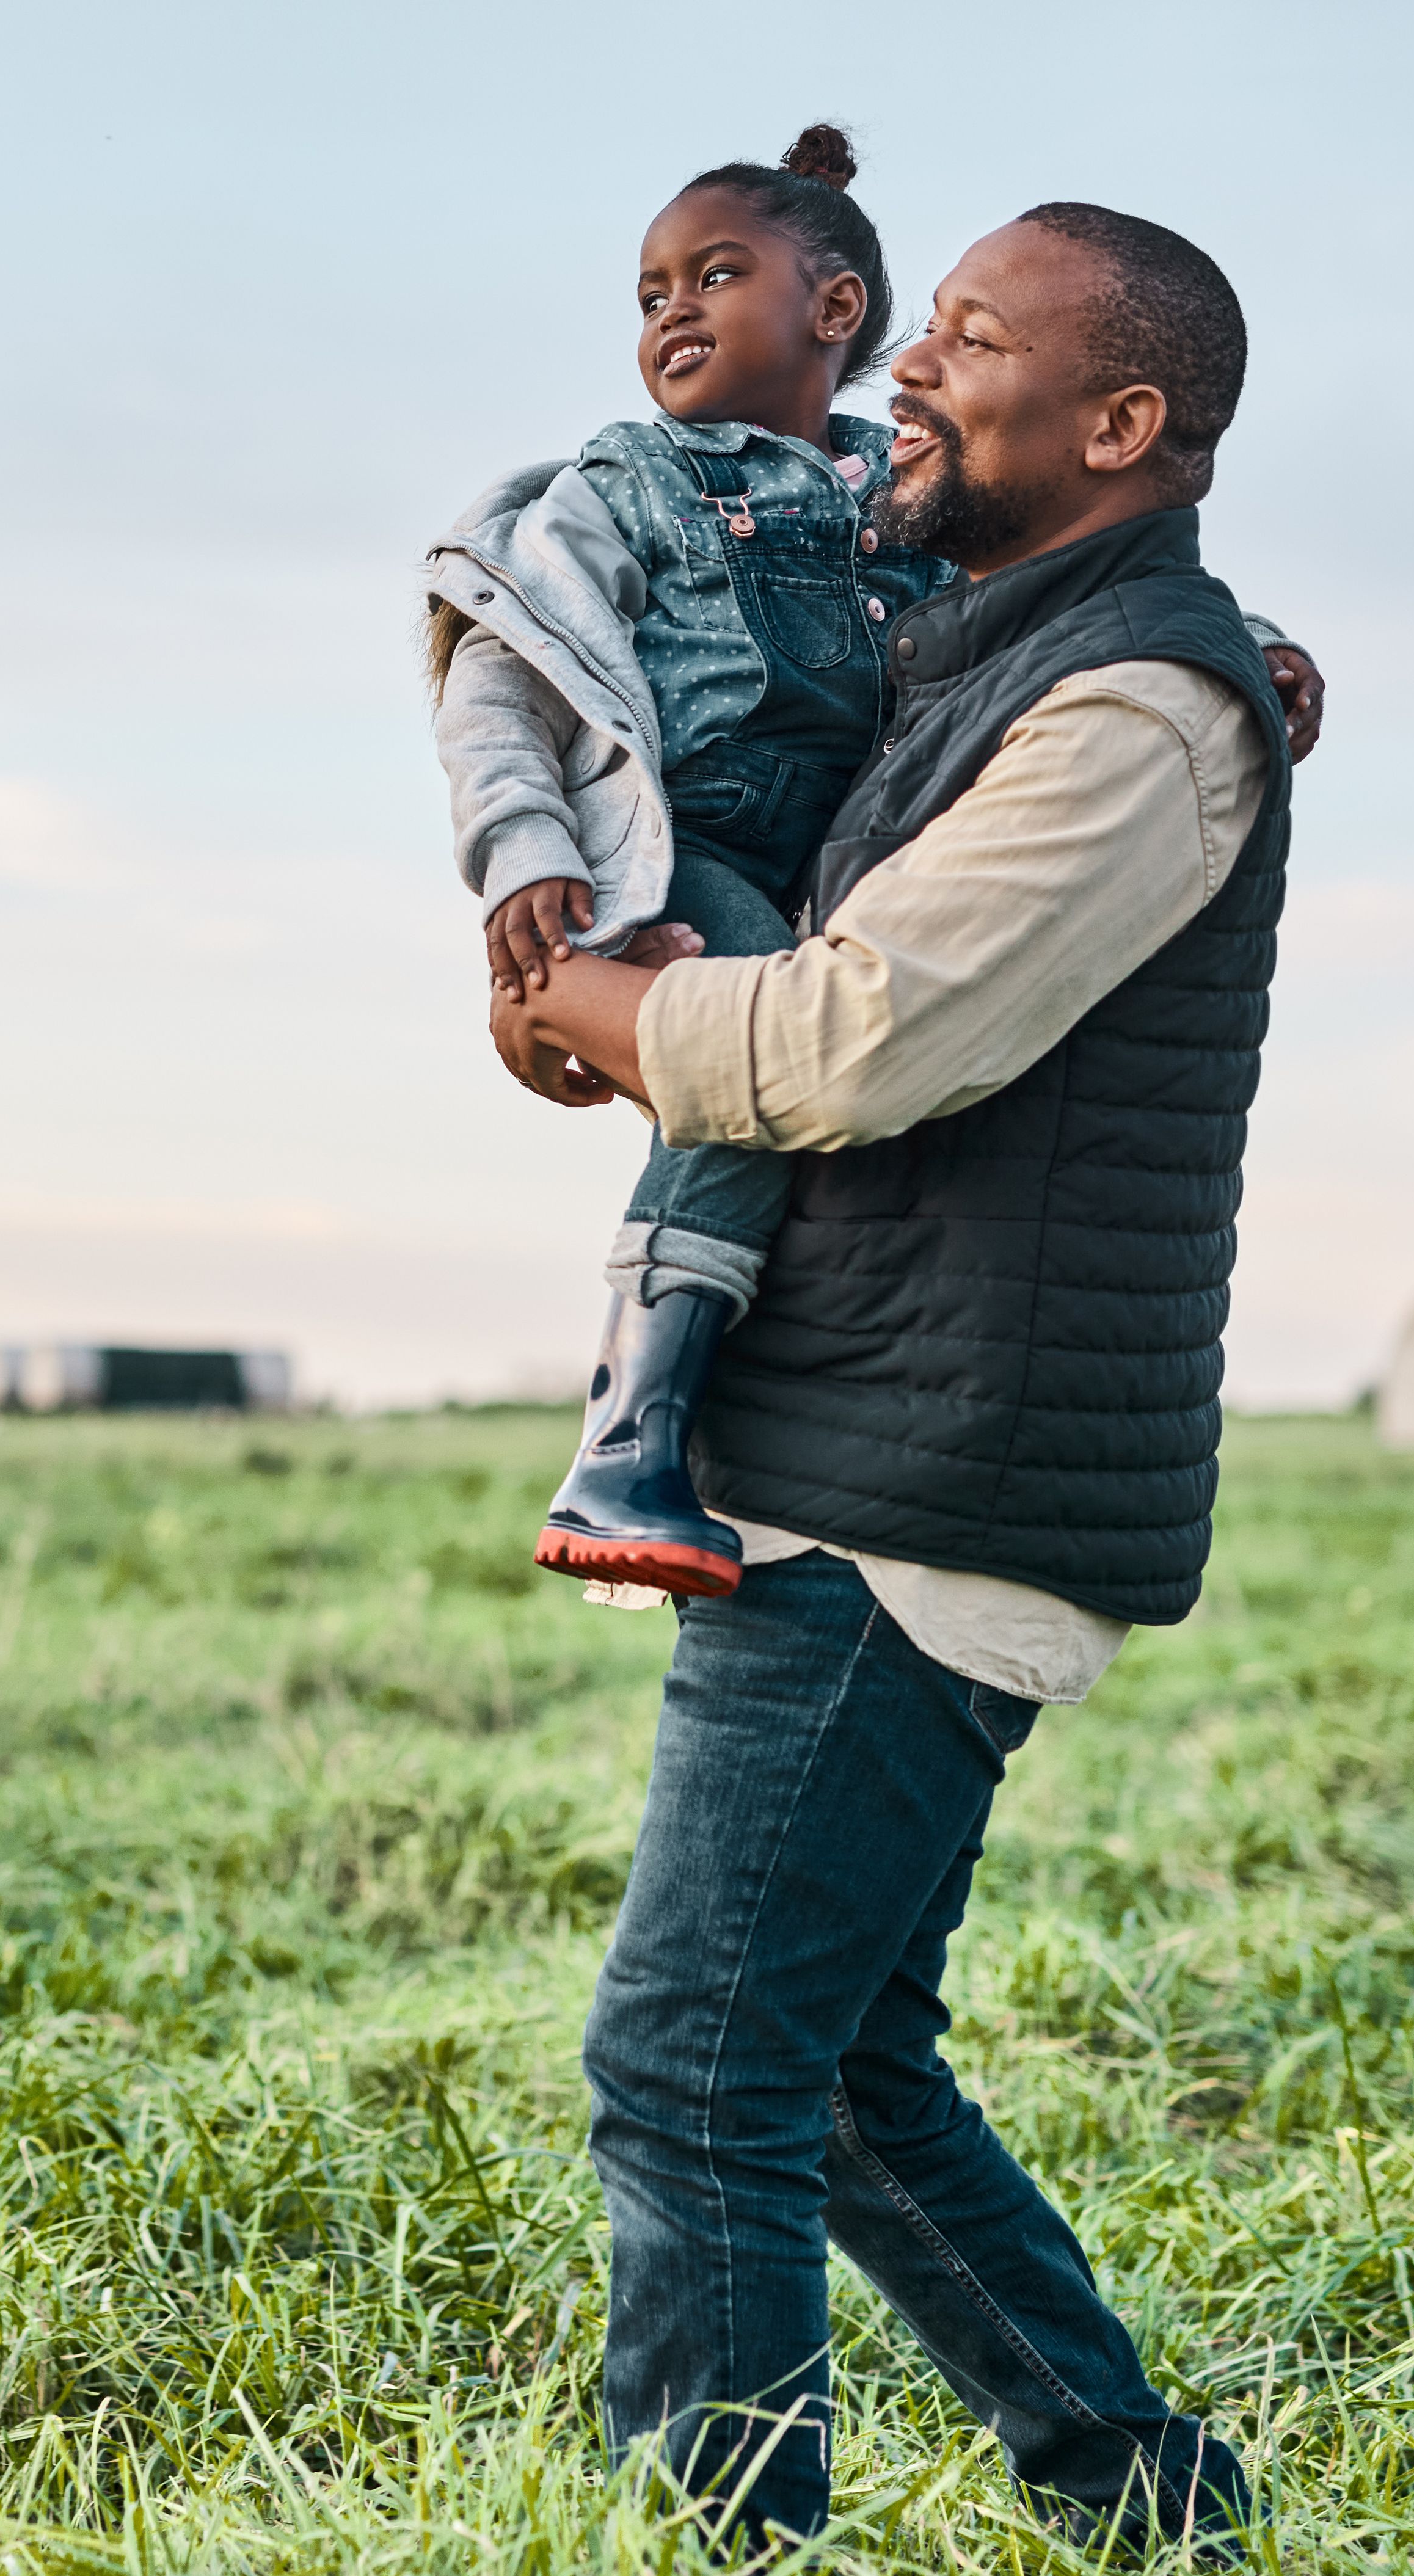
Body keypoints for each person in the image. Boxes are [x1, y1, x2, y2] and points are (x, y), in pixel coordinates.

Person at [486, 202, 1314, 2555]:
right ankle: (1162, 2526)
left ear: (1122, 424)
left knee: (692, 2071)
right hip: (874, 1447)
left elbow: (851, 1042)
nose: (911, 373)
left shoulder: (1139, 708)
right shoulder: (1002, 652)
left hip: (921, 1496)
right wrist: (582, 943)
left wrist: (598, 1015)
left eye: (964, 338)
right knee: (831, 2077)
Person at [422, 137, 1316, 1598]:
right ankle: (628, 1437)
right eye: (649, 291)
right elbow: (506, 683)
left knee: (754, 1078)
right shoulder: (620, 483)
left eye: (716, 276)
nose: (671, 314)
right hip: (701, 842)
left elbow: (1067, 595)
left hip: (839, 869)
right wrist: (529, 867)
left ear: (832, 306)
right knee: (725, 1109)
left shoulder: (910, 507)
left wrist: (1252, 634)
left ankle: (639, 1434)